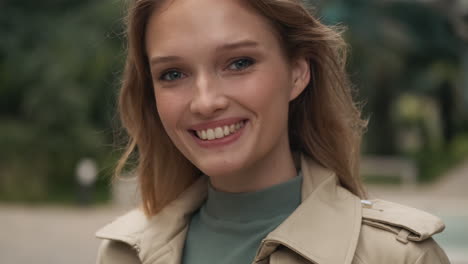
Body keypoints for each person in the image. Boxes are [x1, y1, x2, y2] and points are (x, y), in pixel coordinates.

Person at [96, 0, 451, 263]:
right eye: (173, 74)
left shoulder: (396, 256)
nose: (205, 102)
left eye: (239, 63)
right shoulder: (123, 254)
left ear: (297, 72)